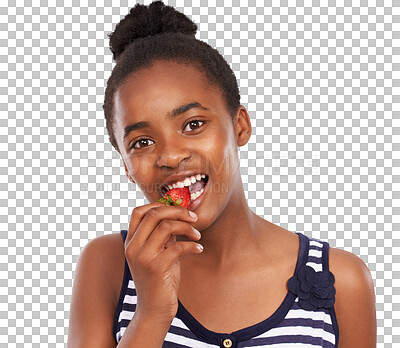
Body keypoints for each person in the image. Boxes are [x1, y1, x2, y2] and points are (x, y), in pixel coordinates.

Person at [67, 1, 377, 347]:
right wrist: (152, 311)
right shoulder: (109, 264)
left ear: (239, 126)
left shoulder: (342, 279)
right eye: (142, 142)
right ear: (125, 163)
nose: (170, 156)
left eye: (193, 124)